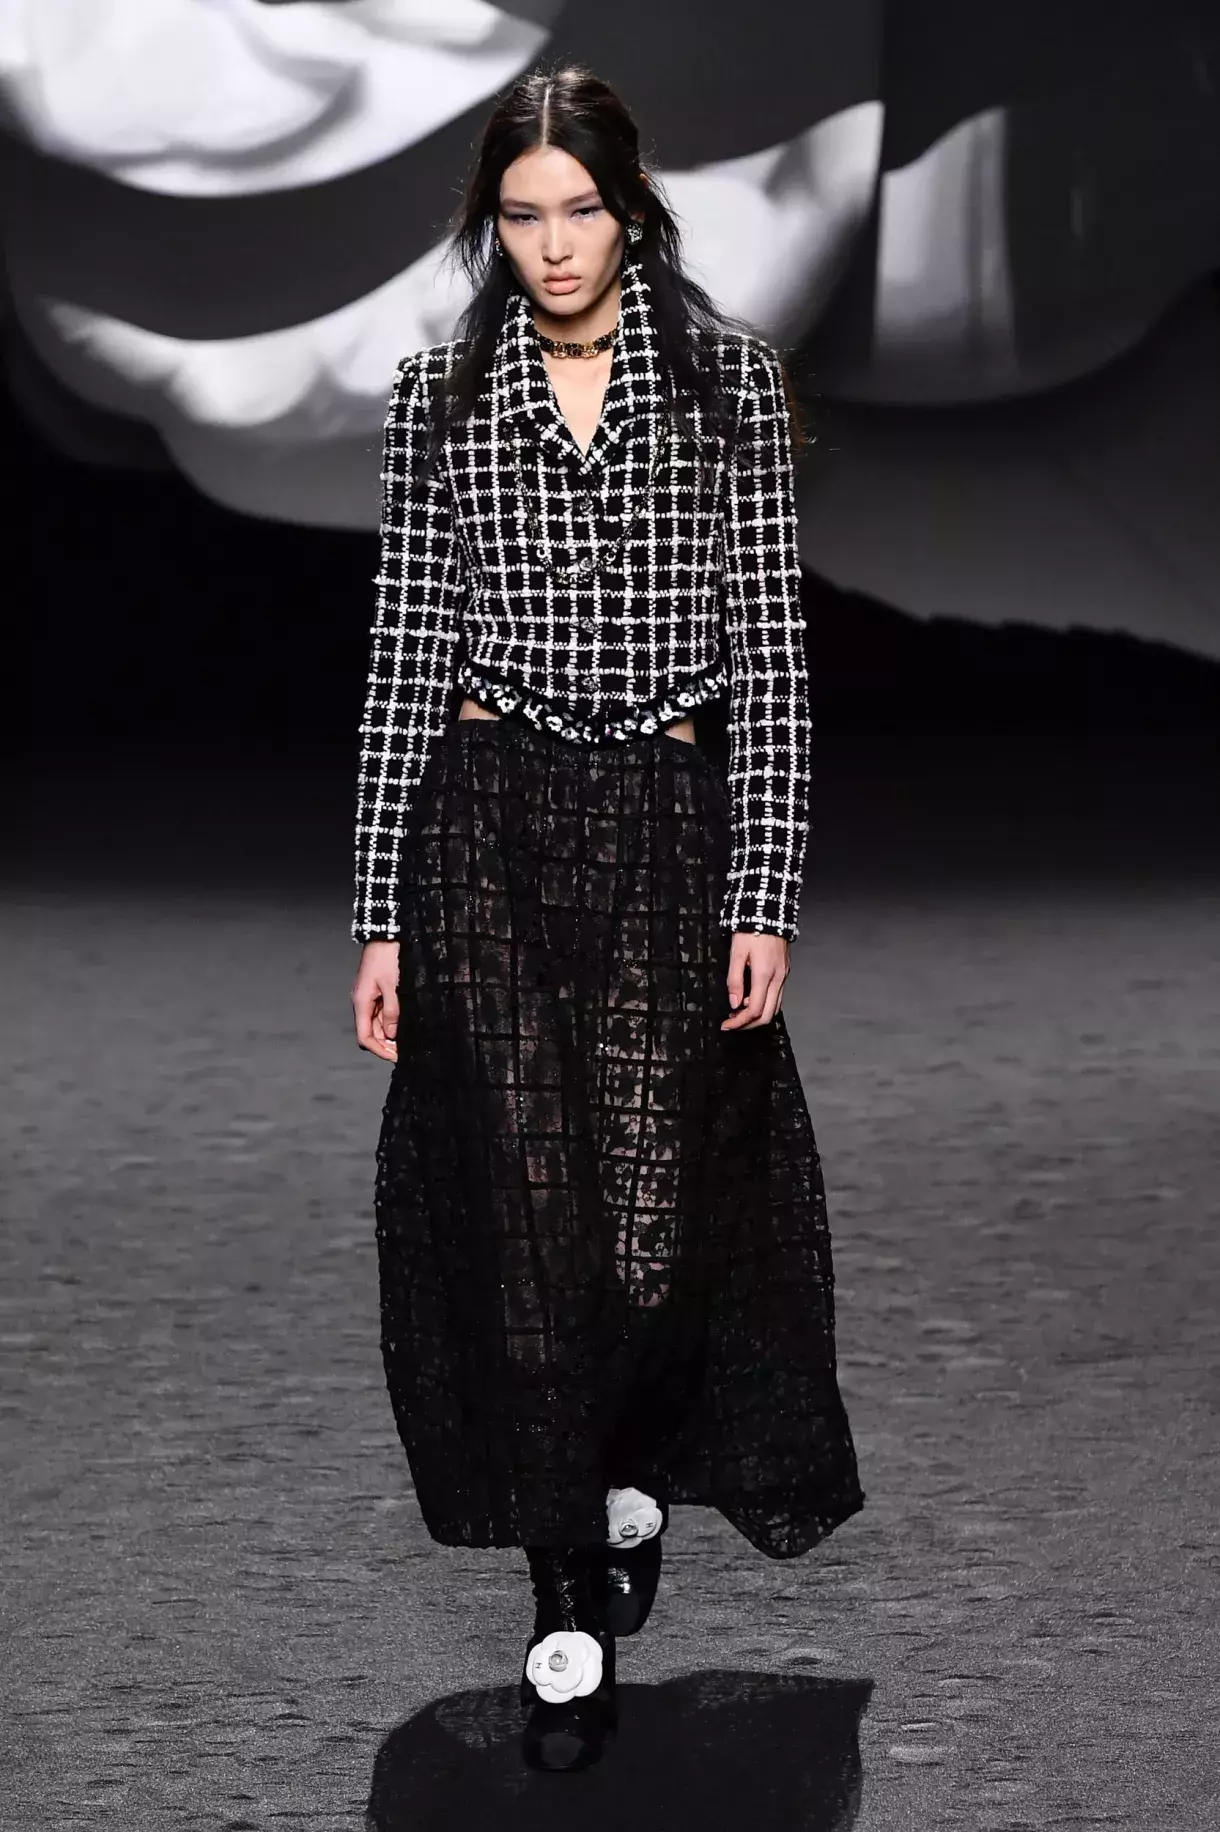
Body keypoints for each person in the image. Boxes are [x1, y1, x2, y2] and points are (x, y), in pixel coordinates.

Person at [350, 61, 865, 1773]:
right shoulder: (438, 400)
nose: (556, 244)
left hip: (662, 819)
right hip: (487, 828)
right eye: (524, 216)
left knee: (648, 1233)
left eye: (581, 209)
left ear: (631, 211)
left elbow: (772, 659)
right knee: (524, 1225)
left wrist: (764, 889)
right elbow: (405, 659)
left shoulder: (725, 390)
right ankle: (563, 1580)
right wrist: (380, 913)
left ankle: (626, 1468)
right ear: (490, 229)